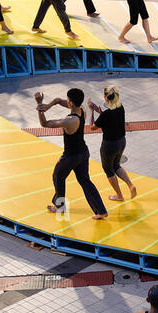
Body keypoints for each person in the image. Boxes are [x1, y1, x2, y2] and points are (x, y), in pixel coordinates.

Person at [36, 87, 108, 220]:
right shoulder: (82, 111)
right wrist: (48, 106)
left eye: (68, 100)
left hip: (71, 156)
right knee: (85, 181)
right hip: (83, 153)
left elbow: (44, 123)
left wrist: (40, 106)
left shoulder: (69, 120)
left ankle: (60, 206)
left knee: (58, 176)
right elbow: (58, 100)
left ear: (71, 103)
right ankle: (101, 211)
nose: (66, 101)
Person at [87, 85, 137, 201]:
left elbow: (92, 127)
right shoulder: (121, 108)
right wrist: (99, 112)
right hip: (121, 141)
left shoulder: (106, 115)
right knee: (116, 165)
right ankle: (130, 185)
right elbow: (109, 120)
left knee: (108, 169)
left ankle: (119, 195)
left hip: (109, 145)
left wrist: (91, 111)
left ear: (105, 98)